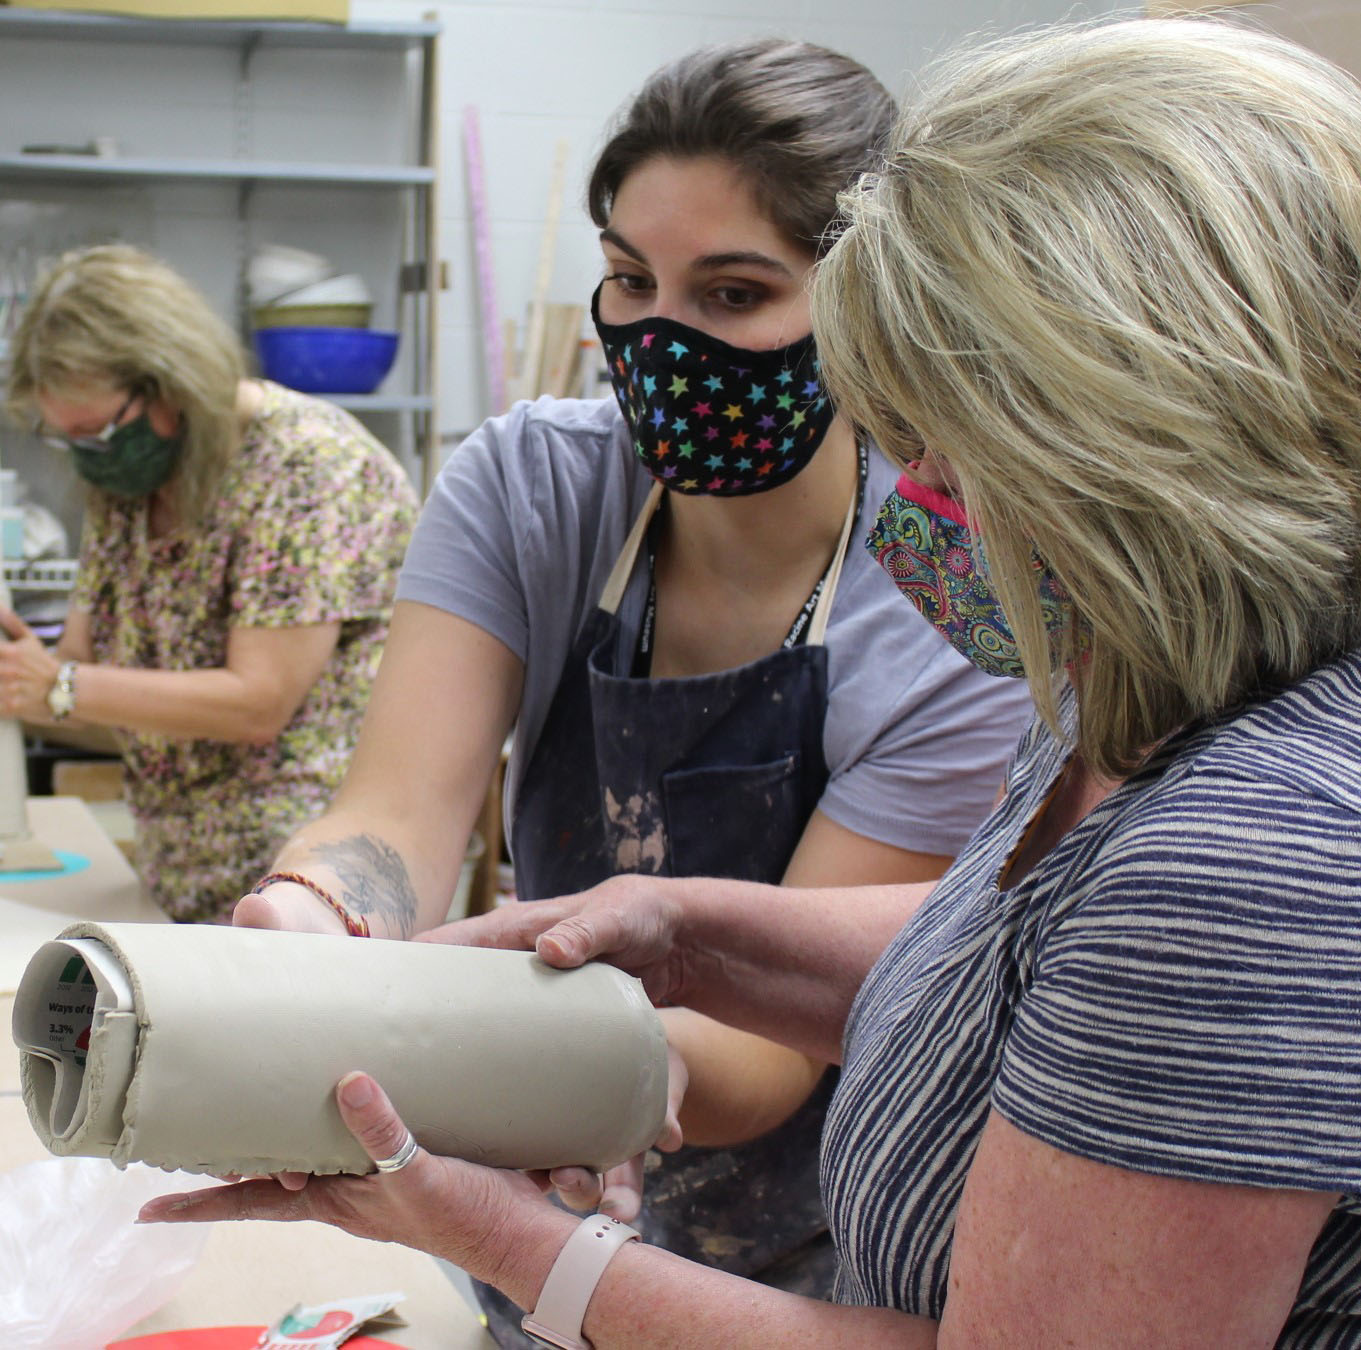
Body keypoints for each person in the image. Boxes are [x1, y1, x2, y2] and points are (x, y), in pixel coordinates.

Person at [144, 17, 1361, 1345]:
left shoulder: (1264, 852)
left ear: (1143, 443)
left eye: (938, 439)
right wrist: (695, 929)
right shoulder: (1328, 627)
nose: (906, 493)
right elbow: (1030, 970)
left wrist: (499, 1232)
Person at [225, 37, 1032, 1307]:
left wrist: (552, 1072)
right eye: (628, 281)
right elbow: (398, 813)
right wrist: (313, 919)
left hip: (820, 1273)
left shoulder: (949, 597)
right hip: (532, 1203)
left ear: (877, 305)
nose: (663, 339)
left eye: (732, 294)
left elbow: (763, 1052)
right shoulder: (532, 486)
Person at [0, 245, 417, 923]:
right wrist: (23, 673)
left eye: (98, 431)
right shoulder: (130, 481)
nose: (88, 455)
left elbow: (258, 703)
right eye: (67, 437)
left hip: (306, 885)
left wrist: (58, 686)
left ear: (173, 380)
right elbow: (81, 677)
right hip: (180, 879)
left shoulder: (306, 467)